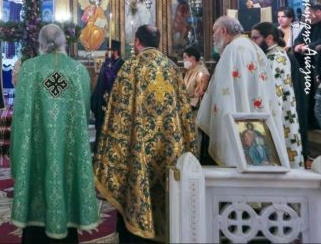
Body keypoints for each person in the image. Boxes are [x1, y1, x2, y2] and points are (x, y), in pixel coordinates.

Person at [94, 25, 195, 242]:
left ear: (137, 42)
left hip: (137, 152)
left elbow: (117, 116)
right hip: (168, 149)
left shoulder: (131, 68)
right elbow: (185, 113)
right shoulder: (172, 68)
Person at [11, 24, 100, 242]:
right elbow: (84, 112)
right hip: (68, 150)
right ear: (63, 43)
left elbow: (20, 117)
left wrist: (17, 156)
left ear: (40, 44)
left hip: (36, 151)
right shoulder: (78, 71)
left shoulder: (29, 70)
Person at [197, 16, 285, 166]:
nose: (213, 37)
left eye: (214, 31)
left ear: (223, 31)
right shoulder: (254, 47)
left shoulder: (232, 50)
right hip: (259, 117)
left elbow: (223, 93)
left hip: (239, 119)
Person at [251, 22, 304, 168]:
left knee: (282, 151)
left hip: (280, 113)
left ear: (269, 38)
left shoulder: (276, 57)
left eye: (255, 38)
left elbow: (273, 92)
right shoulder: (270, 55)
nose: (253, 42)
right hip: (280, 111)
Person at [91, 40, 124, 145]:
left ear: (115, 51)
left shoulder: (122, 64)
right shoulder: (106, 64)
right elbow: (100, 84)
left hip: (115, 104)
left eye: (108, 50)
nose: (106, 52)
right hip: (103, 103)